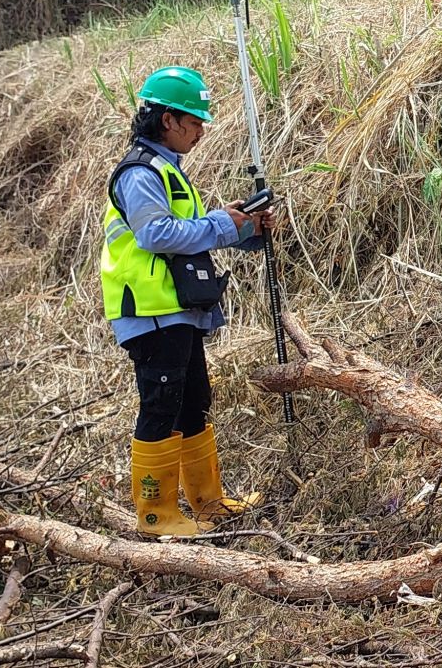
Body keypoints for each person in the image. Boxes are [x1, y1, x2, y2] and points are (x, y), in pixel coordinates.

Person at [100, 66, 275, 536]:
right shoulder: (140, 173)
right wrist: (224, 223)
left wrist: (246, 230)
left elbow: (190, 236)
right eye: (195, 122)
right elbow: (156, 234)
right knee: (161, 406)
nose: (201, 131)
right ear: (167, 121)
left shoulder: (170, 174)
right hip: (151, 312)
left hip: (176, 312)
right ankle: (156, 516)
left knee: (194, 400)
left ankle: (207, 504)